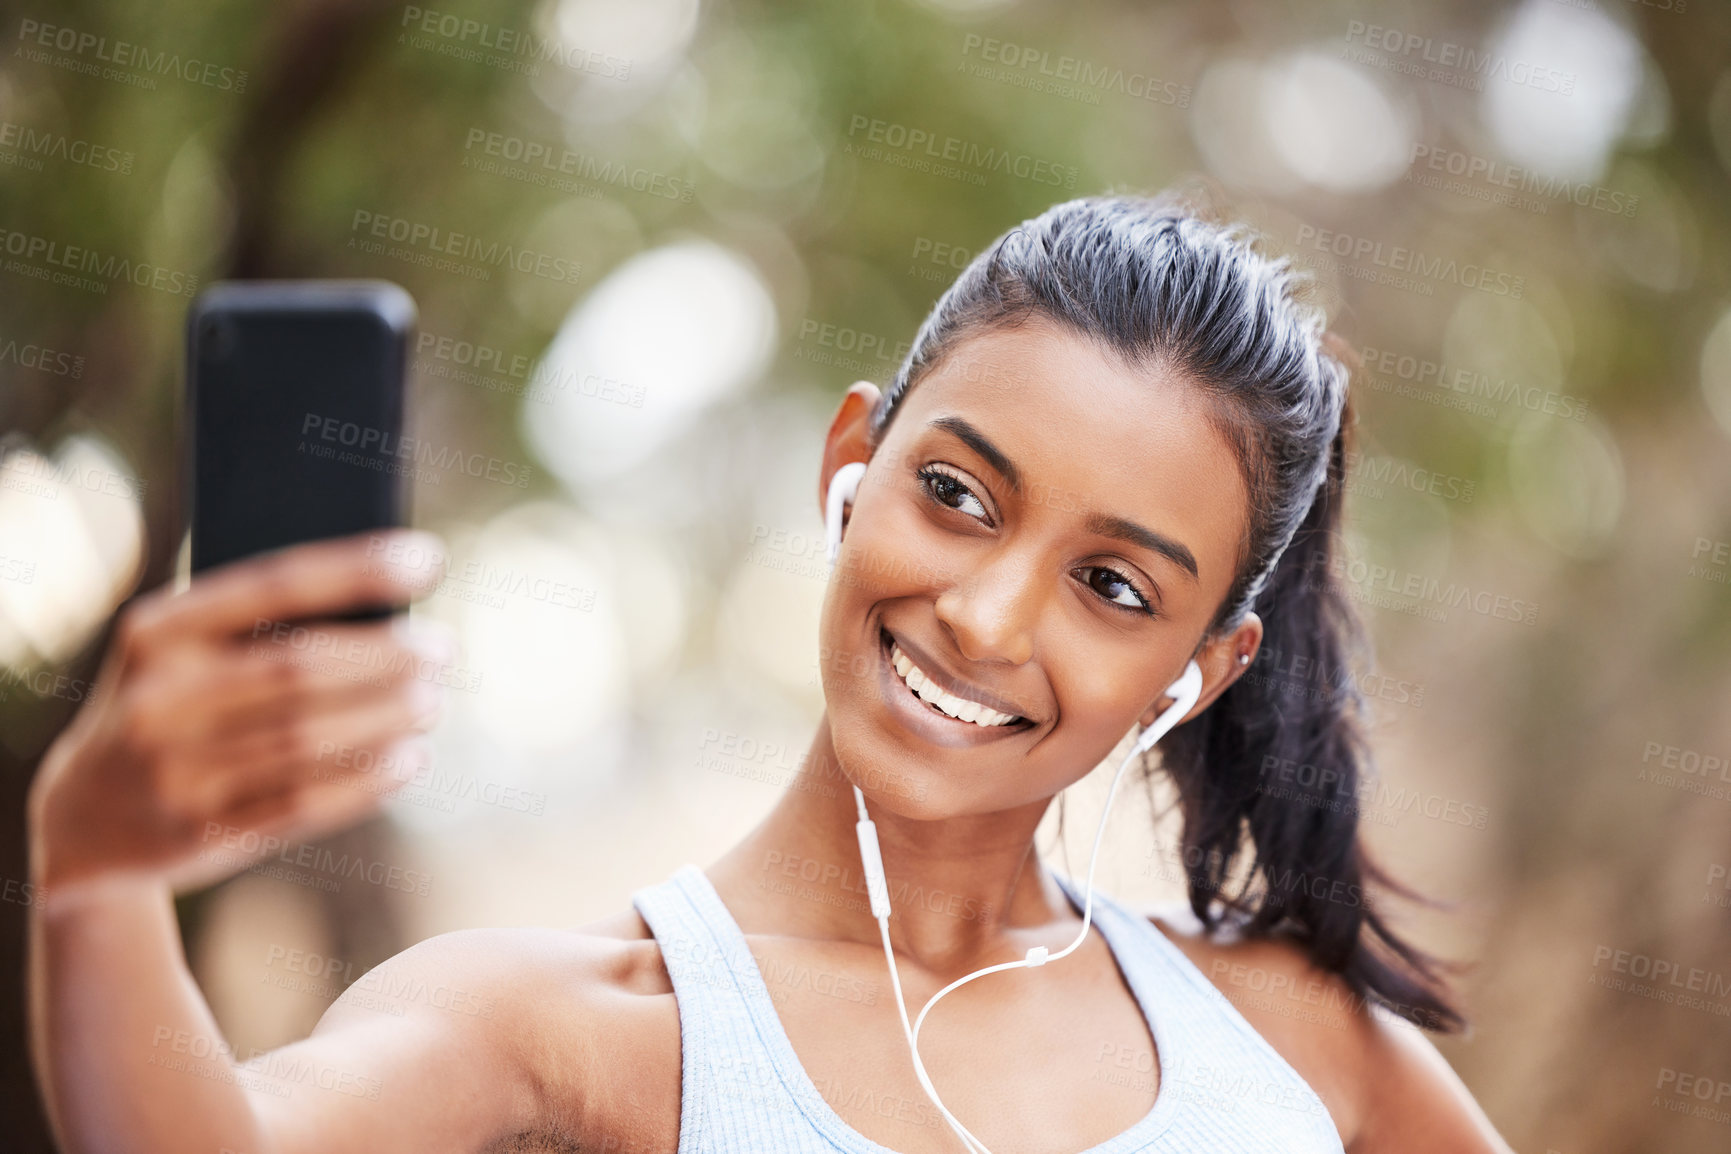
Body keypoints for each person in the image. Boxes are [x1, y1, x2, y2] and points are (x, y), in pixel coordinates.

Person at [27, 193, 1515, 1153]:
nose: (987, 614)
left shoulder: (1282, 1036)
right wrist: (92, 875)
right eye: (959, 495)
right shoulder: (570, 1031)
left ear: (1201, 671)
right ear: (849, 468)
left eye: (1113, 585)